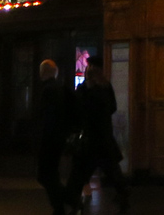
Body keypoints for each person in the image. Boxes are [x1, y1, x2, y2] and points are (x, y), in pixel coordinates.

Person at [66, 58, 129, 212]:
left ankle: (73, 200)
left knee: (78, 173)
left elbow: (78, 109)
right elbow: (112, 107)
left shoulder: (84, 90)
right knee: (112, 171)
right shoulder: (106, 87)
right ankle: (123, 197)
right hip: (104, 137)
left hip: (89, 138)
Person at [35, 60, 76, 215]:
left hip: (50, 139)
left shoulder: (47, 90)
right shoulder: (61, 88)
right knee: (51, 174)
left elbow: (47, 118)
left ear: (43, 72)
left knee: (45, 174)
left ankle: (63, 203)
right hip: (59, 138)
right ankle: (66, 201)